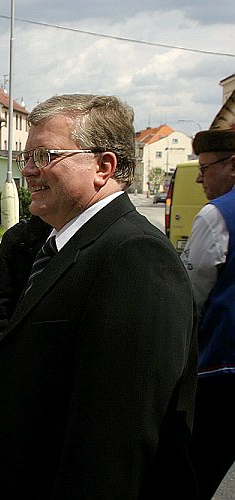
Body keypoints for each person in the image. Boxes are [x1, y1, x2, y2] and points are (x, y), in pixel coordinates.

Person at [0, 94, 198, 499]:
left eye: (45, 155)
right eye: (26, 157)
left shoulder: (135, 256)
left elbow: (118, 441)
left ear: (104, 167)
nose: (29, 171)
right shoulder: (52, 244)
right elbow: (35, 374)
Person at [181, 129, 235, 499]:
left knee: (191, 478)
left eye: (205, 167)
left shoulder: (218, 214)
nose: (200, 177)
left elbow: (191, 299)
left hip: (222, 373)